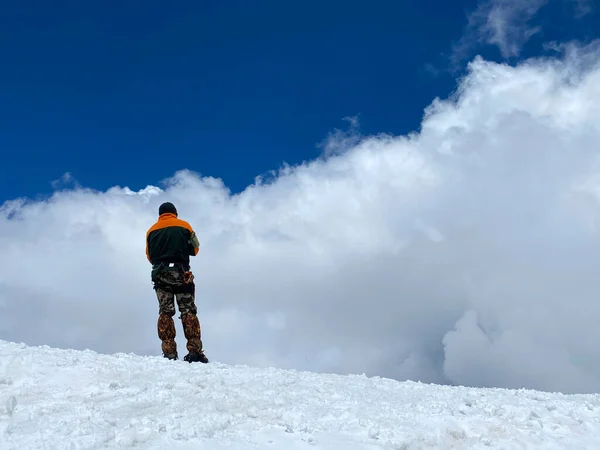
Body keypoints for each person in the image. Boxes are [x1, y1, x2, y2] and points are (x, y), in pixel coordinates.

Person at [145, 202, 209, 363]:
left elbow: (149, 256)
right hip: (182, 274)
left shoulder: (151, 231)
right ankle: (195, 352)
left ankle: (169, 353)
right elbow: (195, 249)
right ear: (175, 213)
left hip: (160, 275)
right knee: (187, 310)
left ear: (160, 214)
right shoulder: (184, 225)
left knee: (165, 312)